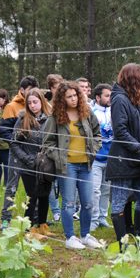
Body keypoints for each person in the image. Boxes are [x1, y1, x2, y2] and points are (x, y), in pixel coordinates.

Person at [42, 81, 103, 250]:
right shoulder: (55, 117)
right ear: (62, 99)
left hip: (86, 165)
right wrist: (60, 156)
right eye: (69, 97)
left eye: (75, 95)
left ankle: (85, 235)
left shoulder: (87, 112)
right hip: (67, 166)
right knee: (68, 203)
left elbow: (98, 134)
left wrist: (94, 149)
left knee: (88, 202)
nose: (73, 99)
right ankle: (70, 237)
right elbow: (47, 143)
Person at [105, 64, 140, 249]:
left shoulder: (136, 100)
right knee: (119, 200)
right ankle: (123, 244)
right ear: (133, 79)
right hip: (123, 160)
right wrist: (138, 149)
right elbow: (120, 130)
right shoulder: (119, 99)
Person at [10, 88, 53, 238]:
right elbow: (14, 143)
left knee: (45, 195)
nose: (33, 105)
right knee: (33, 195)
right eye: (29, 103)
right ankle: (30, 227)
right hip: (28, 165)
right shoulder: (23, 120)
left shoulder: (50, 119)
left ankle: (42, 224)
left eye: (35, 102)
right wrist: (27, 159)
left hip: (46, 166)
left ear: (42, 101)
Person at [0, 75, 38, 230]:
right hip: (16, 154)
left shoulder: (38, 106)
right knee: (11, 187)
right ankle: (5, 219)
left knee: (33, 189)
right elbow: (4, 131)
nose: (31, 95)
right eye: (29, 91)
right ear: (22, 90)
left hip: (32, 155)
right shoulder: (11, 107)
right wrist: (17, 144)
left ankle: (34, 219)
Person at [90, 83, 113, 231]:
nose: (110, 98)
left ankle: (103, 217)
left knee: (106, 190)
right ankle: (93, 219)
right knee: (95, 190)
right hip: (96, 159)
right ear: (98, 97)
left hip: (110, 158)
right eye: (107, 95)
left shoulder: (114, 111)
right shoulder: (91, 112)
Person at [45, 74, 64, 221]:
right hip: (50, 148)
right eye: (57, 87)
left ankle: (66, 210)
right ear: (51, 88)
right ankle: (55, 211)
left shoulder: (66, 104)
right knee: (50, 181)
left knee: (65, 182)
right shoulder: (46, 106)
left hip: (65, 149)